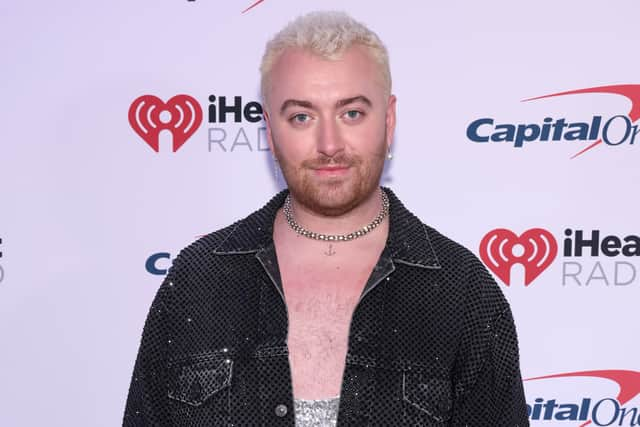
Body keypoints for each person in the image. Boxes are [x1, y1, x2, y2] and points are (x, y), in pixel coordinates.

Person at [123, 11, 529, 426]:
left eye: (351, 113)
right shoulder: (200, 278)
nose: (329, 144)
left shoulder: (461, 292)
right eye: (302, 116)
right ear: (269, 129)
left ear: (388, 122)